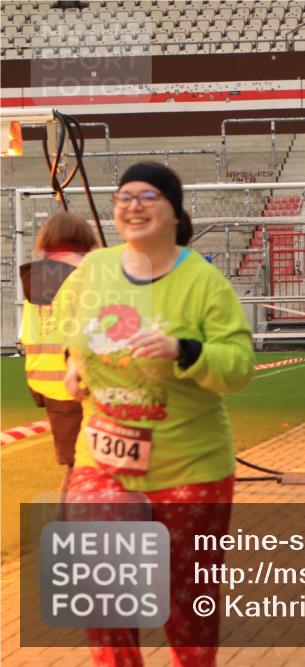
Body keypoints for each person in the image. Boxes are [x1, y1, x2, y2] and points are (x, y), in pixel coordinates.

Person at [55, 162, 254, 666]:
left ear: (175, 213)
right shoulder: (94, 270)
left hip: (189, 467)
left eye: (148, 197)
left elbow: (237, 367)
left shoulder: (204, 283)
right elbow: (70, 322)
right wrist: (74, 359)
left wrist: (183, 349)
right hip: (102, 462)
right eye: (124, 197)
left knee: (187, 611)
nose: (133, 206)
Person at [18, 211, 98, 496]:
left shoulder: (36, 276)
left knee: (78, 465)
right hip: (79, 383)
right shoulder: (86, 275)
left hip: (45, 381)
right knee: (83, 467)